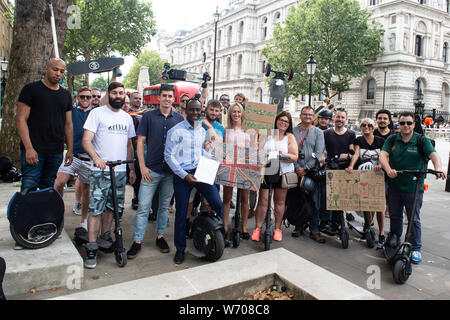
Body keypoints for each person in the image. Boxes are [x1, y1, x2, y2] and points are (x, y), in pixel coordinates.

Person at [82, 81, 136, 269]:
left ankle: (105, 234)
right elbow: (86, 140)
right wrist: (96, 158)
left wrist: (131, 170)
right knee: (95, 208)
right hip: (100, 170)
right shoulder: (96, 113)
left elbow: (129, 145)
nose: (118, 96)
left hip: (119, 171)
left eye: (121, 93)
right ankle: (91, 247)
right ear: (109, 94)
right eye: (115, 93)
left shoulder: (127, 118)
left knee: (113, 207)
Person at [379, 111, 446, 264]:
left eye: (409, 123)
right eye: (402, 123)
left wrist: (439, 167)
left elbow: (433, 155)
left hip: (413, 187)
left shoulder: (421, 140)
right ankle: (395, 238)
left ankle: (415, 247)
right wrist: (388, 169)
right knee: (395, 215)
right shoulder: (392, 139)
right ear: (398, 124)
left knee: (413, 218)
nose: (406, 126)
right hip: (394, 185)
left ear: (414, 125)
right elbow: (383, 155)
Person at [127, 84, 184, 259]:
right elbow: (139, 142)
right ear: (159, 98)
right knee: (143, 207)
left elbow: (182, 146)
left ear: (173, 98)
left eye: (169, 96)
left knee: (164, 207)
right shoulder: (148, 117)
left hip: (170, 172)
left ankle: (160, 236)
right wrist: (142, 167)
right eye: (164, 95)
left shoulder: (179, 119)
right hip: (151, 170)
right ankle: (137, 241)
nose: (167, 98)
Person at [165, 99, 223, 265]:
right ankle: (180, 249)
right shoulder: (175, 131)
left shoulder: (200, 130)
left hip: (200, 171)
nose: (195, 113)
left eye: (198, 110)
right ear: (186, 110)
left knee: (216, 203)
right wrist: (184, 175)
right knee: (182, 213)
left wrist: (213, 158)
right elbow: (169, 156)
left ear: (201, 111)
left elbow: (200, 153)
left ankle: (214, 234)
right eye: (192, 110)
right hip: (182, 175)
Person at [16, 58, 74, 192]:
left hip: (55, 152)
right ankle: (27, 214)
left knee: (47, 190)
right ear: (46, 68)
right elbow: (21, 119)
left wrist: (70, 150)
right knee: (28, 189)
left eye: (62, 71)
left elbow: (68, 124)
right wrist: (29, 148)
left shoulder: (65, 95)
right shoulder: (31, 89)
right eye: (55, 69)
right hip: (34, 150)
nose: (58, 73)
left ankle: (43, 214)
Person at [252, 111, 298, 242]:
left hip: (282, 172)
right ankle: (258, 228)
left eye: (286, 121)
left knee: (279, 201)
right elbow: (258, 150)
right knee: (263, 200)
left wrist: (279, 154)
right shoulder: (268, 134)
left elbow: (294, 156)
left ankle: (277, 228)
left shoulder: (289, 137)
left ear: (289, 124)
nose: (283, 123)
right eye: (281, 120)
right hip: (266, 171)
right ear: (276, 121)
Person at [54, 86, 93, 232]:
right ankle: (57, 217)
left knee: (86, 191)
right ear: (77, 98)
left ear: (91, 99)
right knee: (59, 183)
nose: (85, 99)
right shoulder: (72, 112)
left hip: (88, 158)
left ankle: (84, 221)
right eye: (82, 96)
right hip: (72, 155)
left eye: (88, 97)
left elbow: (109, 95)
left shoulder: (95, 113)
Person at [346, 118, 386, 249]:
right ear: (361, 127)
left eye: (369, 125)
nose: (366, 127)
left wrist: (381, 165)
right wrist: (351, 166)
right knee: (367, 204)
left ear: (373, 126)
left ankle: (381, 233)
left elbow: (384, 156)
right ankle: (368, 227)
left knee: (379, 206)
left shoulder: (380, 140)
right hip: (364, 176)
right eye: (363, 125)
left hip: (378, 176)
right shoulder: (359, 140)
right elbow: (356, 154)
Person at [292, 106, 325, 243]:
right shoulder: (293, 131)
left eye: (310, 115)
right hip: (295, 170)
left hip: (312, 172)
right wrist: (297, 168)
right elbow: (289, 150)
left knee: (314, 201)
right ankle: (298, 227)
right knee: (298, 200)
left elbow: (318, 153)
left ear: (313, 117)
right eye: (305, 114)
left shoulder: (318, 132)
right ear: (300, 116)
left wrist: (305, 169)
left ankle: (314, 229)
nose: (307, 117)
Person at [322, 108, 355, 232]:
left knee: (341, 196)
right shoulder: (326, 133)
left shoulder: (350, 134)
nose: (340, 119)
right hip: (331, 168)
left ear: (346, 120)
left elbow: (352, 150)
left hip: (345, 169)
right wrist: (323, 158)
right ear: (334, 118)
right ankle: (327, 221)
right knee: (329, 195)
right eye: (338, 117)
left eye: (342, 117)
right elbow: (322, 150)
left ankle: (337, 220)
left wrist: (348, 155)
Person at [222, 103, 251, 242]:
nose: (236, 114)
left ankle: (244, 227)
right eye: (234, 111)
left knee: (244, 199)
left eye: (239, 112)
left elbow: (253, 151)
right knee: (227, 198)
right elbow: (222, 149)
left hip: (244, 167)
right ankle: (225, 226)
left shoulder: (247, 132)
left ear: (242, 114)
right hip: (229, 166)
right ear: (230, 114)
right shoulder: (225, 130)